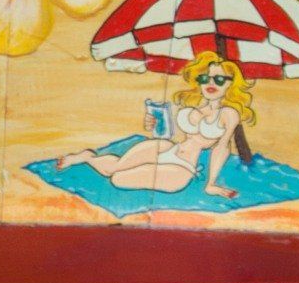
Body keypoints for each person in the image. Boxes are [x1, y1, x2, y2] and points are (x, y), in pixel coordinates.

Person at [61, 44, 254, 198]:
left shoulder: (228, 114)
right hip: (167, 147)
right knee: (115, 167)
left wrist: (211, 183)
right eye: (205, 78)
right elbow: (169, 130)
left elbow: (222, 147)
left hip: (182, 168)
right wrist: (152, 123)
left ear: (231, 84)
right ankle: (87, 157)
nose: (210, 84)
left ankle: (90, 158)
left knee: (118, 179)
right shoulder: (193, 103)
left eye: (219, 80)